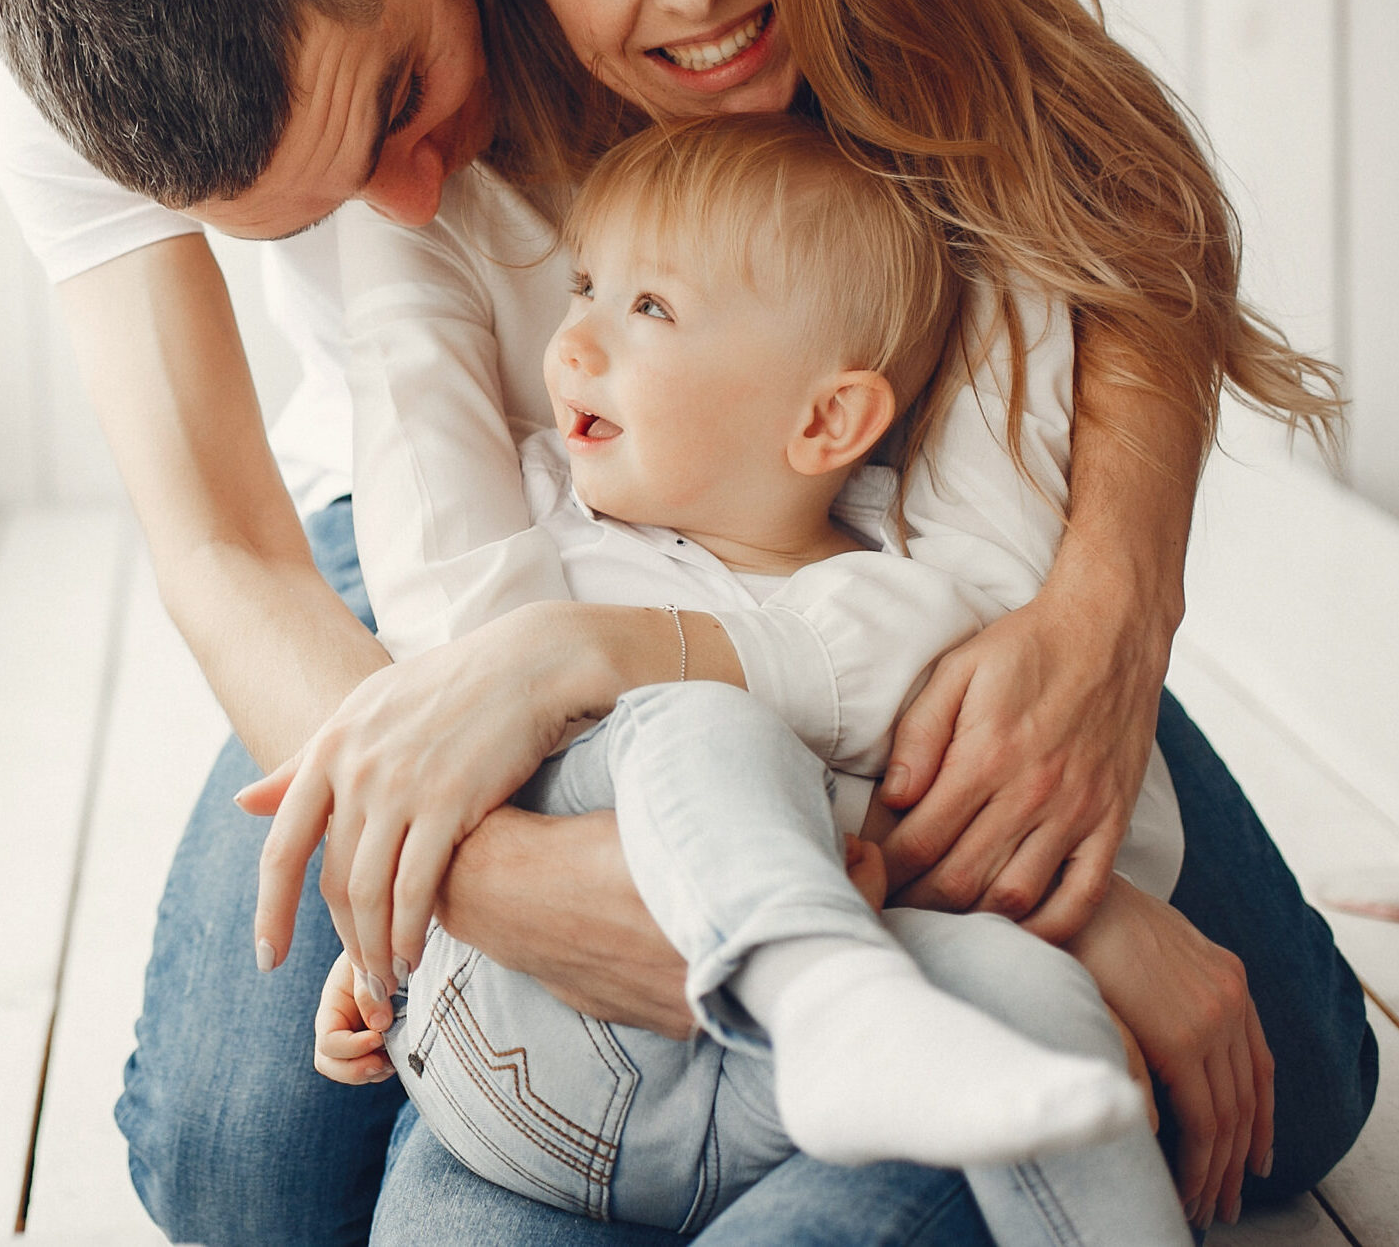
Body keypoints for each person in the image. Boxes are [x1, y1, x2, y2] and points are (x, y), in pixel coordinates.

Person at [0, 0, 1374, 1245]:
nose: (413, 203)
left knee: (1287, 1080)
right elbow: (226, 549)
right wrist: (501, 879)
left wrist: (1107, 610)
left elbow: (1066, 161)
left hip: (809, 520)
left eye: (408, 97)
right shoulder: (77, 62)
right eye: (333, 205)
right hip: (451, 523)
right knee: (243, 1172)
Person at [296, 113, 1183, 1244]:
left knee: (1046, 1020)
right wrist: (398, 948)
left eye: (648, 308)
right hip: (545, 1067)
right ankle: (826, 1006)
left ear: (825, 420)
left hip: (767, 1098)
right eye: (581, 288)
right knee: (693, 723)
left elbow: (1000, 828)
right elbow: (448, 756)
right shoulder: (544, 543)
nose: (571, 342)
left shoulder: (902, 601)